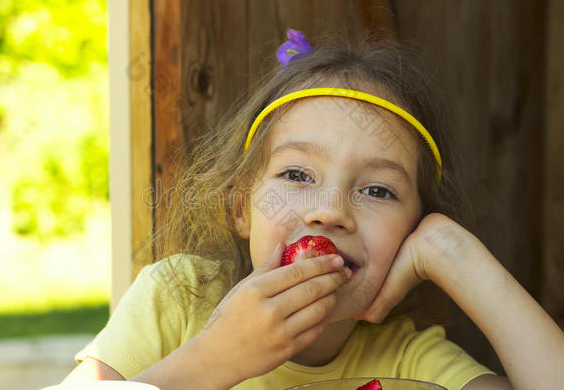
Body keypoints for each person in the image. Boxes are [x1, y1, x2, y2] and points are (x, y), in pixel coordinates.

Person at [62, 30, 564, 390]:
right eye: (297, 176)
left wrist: (453, 252)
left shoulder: (412, 361)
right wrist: (214, 360)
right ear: (241, 208)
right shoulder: (176, 302)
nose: (329, 212)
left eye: (378, 191)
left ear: (412, 234)